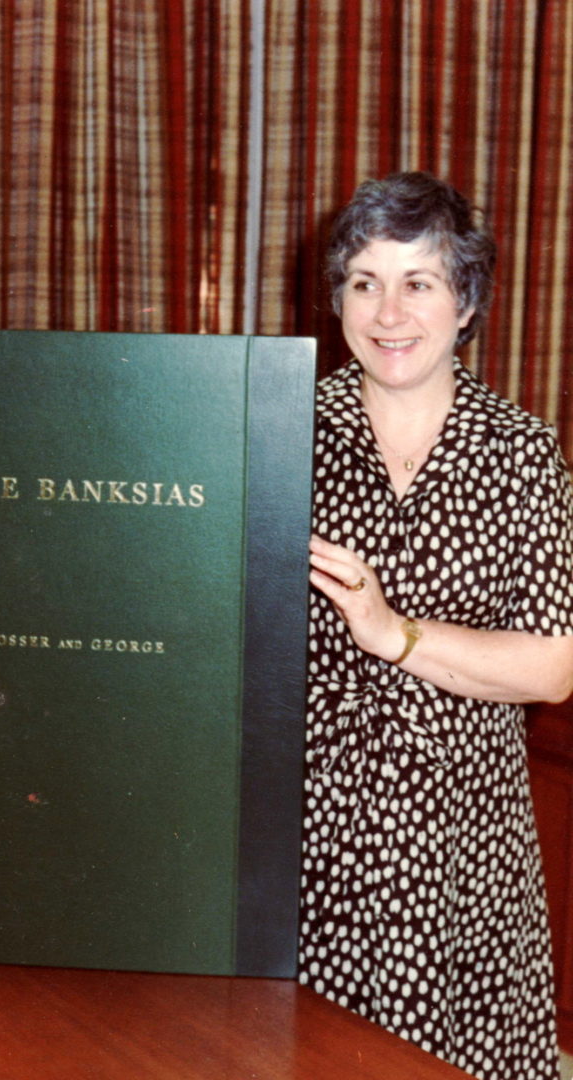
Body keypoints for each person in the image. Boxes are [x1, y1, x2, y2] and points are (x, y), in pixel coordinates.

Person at [298, 171, 573, 1080]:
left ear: (466, 302)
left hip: (461, 843)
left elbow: (553, 667)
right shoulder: (283, 430)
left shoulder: (524, 453)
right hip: (307, 837)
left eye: (419, 281)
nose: (388, 311)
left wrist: (395, 632)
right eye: (364, 281)